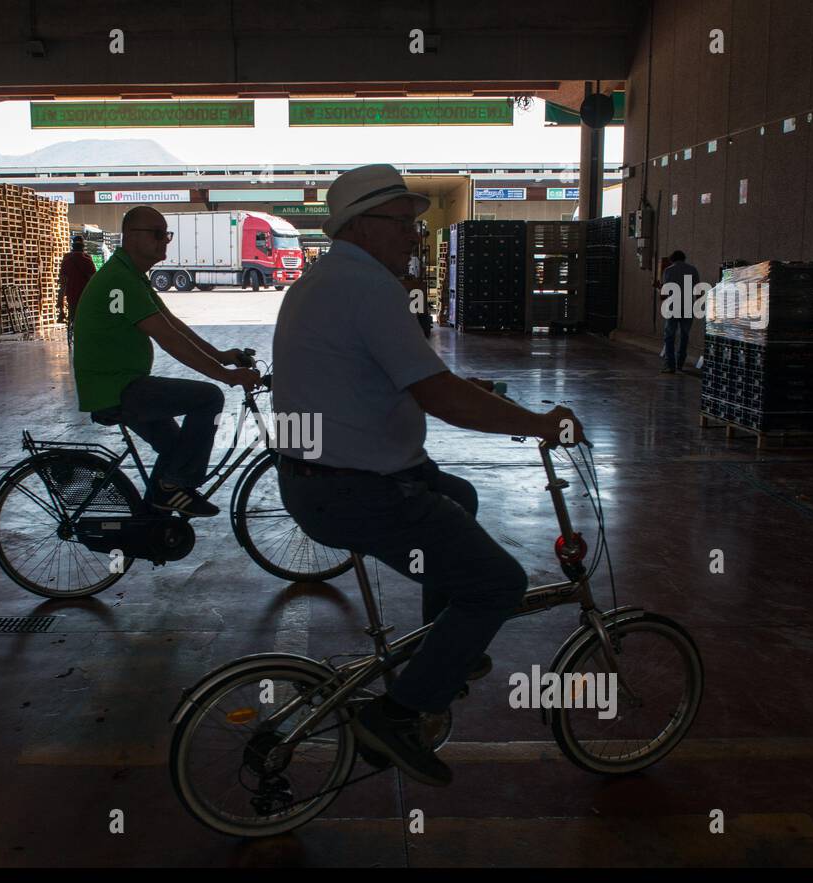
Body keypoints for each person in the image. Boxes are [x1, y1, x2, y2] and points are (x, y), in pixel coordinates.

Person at [272, 164, 587, 787]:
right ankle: (399, 712)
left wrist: (441, 388)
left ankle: (439, 647)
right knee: (498, 584)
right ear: (363, 226)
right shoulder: (369, 288)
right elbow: (440, 398)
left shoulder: (323, 281)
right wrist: (538, 423)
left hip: (317, 475)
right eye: (404, 224)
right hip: (358, 489)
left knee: (459, 494)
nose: (415, 237)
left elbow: (376, 377)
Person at [71, 205, 260, 517]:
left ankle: (152, 524)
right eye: (157, 234)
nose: (164, 242)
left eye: (166, 235)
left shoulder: (132, 276)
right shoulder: (120, 280)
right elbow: (167, 339)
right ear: (130, 236)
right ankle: (176, 488)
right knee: (207, 398)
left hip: (121, 384)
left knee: (177, 450)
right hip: (116, 388)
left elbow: (173, 325)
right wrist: (226, 377)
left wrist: (221, 357)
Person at [659, 249, 701, 374]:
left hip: (673, 307)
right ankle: (680, 364)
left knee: (670, 336)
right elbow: (698, 292)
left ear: (672, 259)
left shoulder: (668, 271)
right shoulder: (692, 270)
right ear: (684, 258)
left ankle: (670, 365)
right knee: (684, 335)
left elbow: (664, 294)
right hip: (688, 307)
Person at [57, 234, 97, 340]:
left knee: (72, 311)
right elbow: (93, 279)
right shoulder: (87, 259)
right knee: (85, 314)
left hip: (70, 293)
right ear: (83, 247)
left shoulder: (66, 259)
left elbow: (62, 279)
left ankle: (65, 317)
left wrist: (61, 295)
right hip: (84, 294)